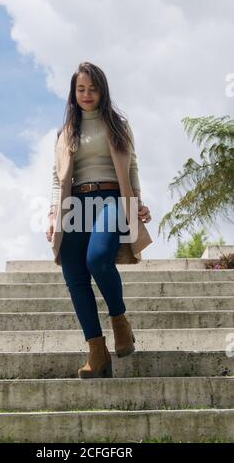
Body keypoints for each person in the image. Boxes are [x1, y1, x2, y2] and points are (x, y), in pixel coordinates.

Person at [46, 62, 151, 379]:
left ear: (102, 91)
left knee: (98, 259)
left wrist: (138, 201)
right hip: (75, 203)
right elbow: (56, 178)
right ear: (73, 93)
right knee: (73, 274)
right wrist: (53, 213)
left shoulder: (118, 125)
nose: (87, 94)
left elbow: (131, 166)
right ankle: (97, 351)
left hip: (112, 199)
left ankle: (120, 322)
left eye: (92, 88)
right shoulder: (65, 134)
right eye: (81, 89)